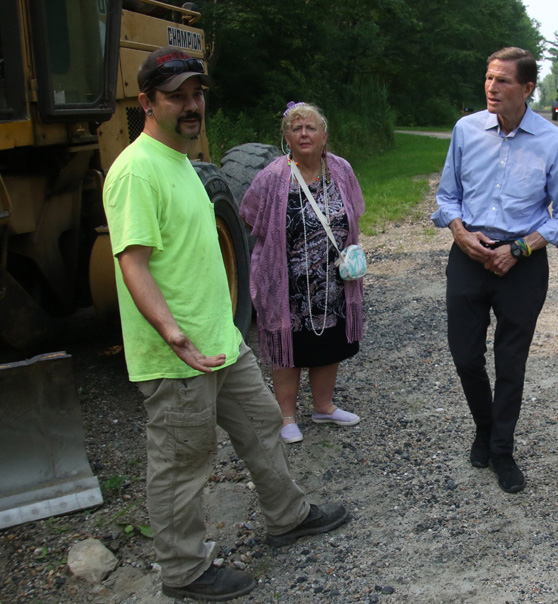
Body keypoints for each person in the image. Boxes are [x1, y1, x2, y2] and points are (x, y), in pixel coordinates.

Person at [103, 47, 351, 602]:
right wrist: (172, 333)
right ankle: (184, 571)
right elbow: (132, 263)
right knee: (181, 463)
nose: (191, 106)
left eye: (197, 95)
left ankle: (287, 515)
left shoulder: (183, 163)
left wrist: (230, 327)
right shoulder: (136, 171)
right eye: (177, 96)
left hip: (220, 341)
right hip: (178, 352)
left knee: (263, 424)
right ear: (146, 102)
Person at [432, 47, 558, 494]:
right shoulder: (465, 130)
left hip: (522, 264)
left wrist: (519, 248)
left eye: (503, 81)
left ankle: (502, 448)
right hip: (470, 254)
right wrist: (459, 233)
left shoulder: (552, 141)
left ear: (528, 89)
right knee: (465, 357)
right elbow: (446, 196)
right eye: (489, 78)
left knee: (510, 362)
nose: (492, 88)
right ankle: (484, 427)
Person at [240, 102, 365, 445]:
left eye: (311, 128)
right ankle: (287, 417)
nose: (305, 134)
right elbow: (249, 214)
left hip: (334, 282)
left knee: (330, 343)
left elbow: (355, 210)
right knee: (289, 348)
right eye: (297, 129)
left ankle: (324, 406)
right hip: (288, 285)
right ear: (287, 138)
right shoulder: (272, 176)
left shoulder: (341, 169)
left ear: (325, 135)